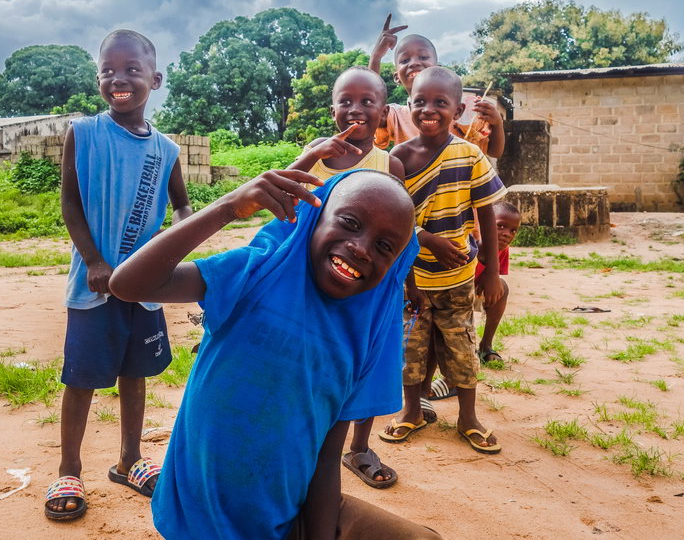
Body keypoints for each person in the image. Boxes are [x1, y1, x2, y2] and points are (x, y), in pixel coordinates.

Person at [109, 169, 442, 539]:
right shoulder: (256, 271)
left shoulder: (364, 333)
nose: (362, 248)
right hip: (197, 517)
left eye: (384, 246)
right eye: (349, 222)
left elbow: (327, 457)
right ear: (314, 216)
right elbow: (129, 283)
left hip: (286, 519)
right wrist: (229, 206)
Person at [44, 30, 193, 521]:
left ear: (156, 78)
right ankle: (69, 468)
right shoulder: (83, 134)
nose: (119, 79)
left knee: (135, 374)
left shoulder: (167, 150)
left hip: (144, 289)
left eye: (131, 70)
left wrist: (170, 252)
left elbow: (182, 206)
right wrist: (93, 260)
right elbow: (70, 202)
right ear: (99, 79)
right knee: (82, 378)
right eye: (108, 70)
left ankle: (130, 460)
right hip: (94, 286)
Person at [288, 66, 406, 490]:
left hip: (362, 285)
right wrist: (311, 157)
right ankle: (307, 441)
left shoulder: (388, 163)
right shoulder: (315, 153)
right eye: (345, 101)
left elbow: (396, 232)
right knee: (310, 361)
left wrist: (401, 289)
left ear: (383, 110)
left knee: (362, 359)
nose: (355, 110)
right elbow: (282, 206)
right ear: (332, 107)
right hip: (310, 278)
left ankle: (358, 446)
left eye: (367, 102)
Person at [380, 66, 506, 455]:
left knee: (462, 348)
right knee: (411, 352)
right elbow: (396, 219)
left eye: (440, 102)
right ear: (409, 105)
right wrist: (424, 249)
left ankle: (468, 417)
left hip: (458, 279)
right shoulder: (397, 158)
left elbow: (486, 213)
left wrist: (491, 274)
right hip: (412, 279)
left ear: (458, 110)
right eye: (420, 101)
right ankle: (412, 412)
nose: (428, 109)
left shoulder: (469, 156)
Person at [368, 14, 504, 159]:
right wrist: (376, 57)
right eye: (405, 60)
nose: (414, 63)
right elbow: (369, 106)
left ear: (438, 68)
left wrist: (497, 123)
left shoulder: (462, 111)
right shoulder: (395, 116)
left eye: (423, 57)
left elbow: (494, 152)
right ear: (397, 77)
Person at [474, 201, 521, 365]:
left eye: (513, 230)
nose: (507, 234)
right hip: (454, 295)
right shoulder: (469, 245)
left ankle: (485, 345)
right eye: (500, 226)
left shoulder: (503, 250)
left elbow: (494, 280)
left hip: (476, 292)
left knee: (503, 288)